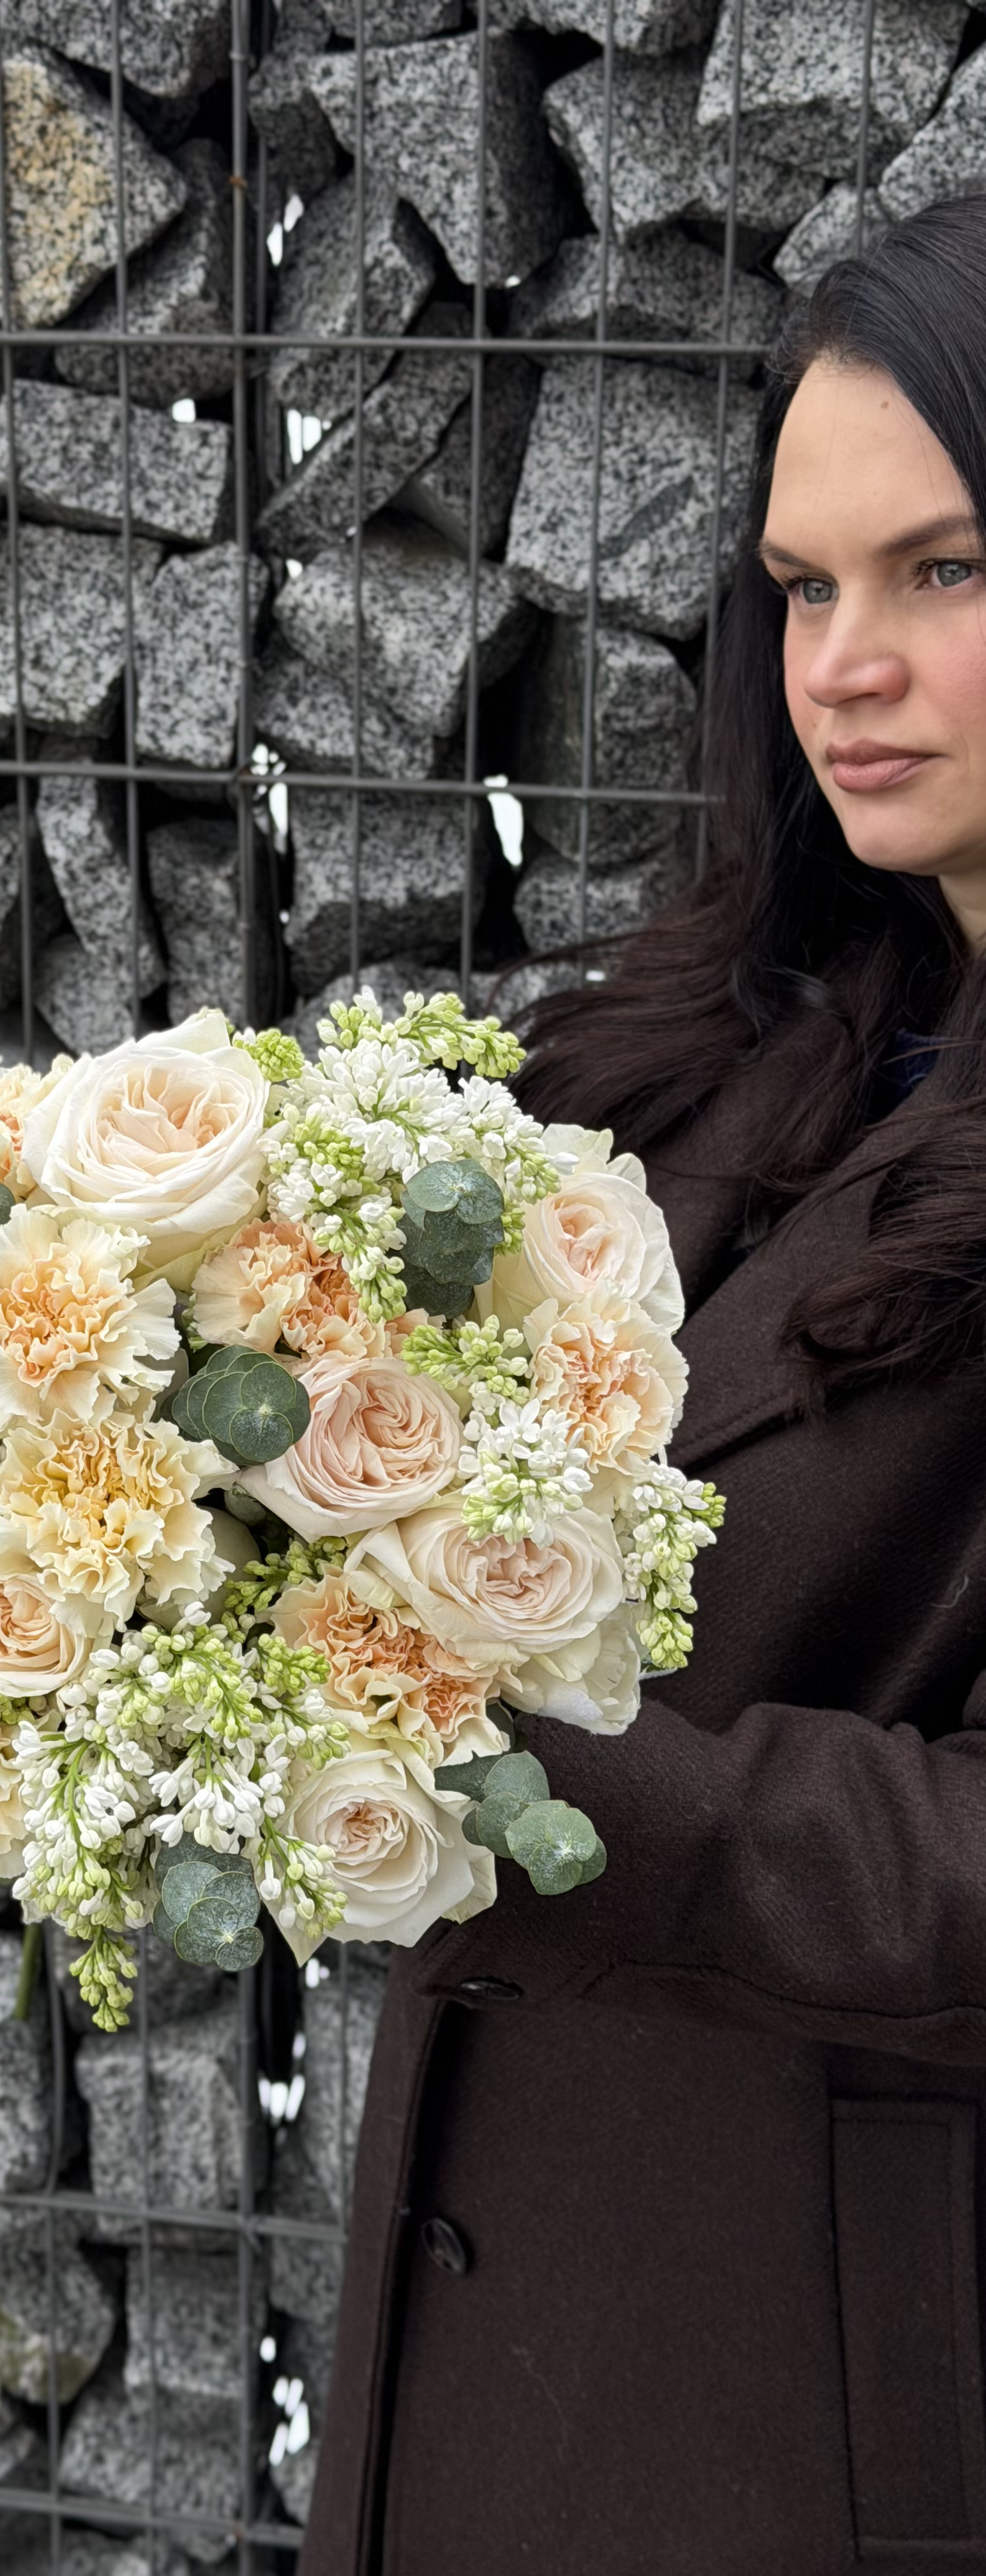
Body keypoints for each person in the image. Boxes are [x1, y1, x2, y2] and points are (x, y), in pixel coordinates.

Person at [298, 196, 986, 2575]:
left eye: (942, 574)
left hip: (839, 2409)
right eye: (804, 590)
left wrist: (525, 1777)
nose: (847, 669)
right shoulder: (738, 1059)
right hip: (513, 2338)